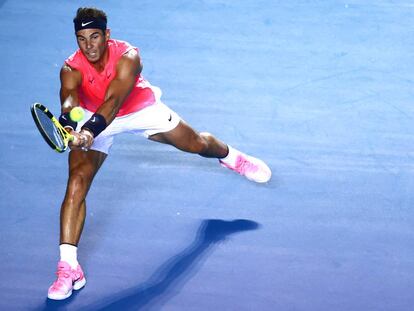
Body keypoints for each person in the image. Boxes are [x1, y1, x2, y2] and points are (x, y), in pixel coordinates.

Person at [47, 7, 271, 300]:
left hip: (138, 111)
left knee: (196, 144)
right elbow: (69, 101)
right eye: (81, 38)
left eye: (95, 36)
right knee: (77, 181)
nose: (89, 45)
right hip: (93, 117)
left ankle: (230, 156)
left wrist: (88, 131)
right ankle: (68, 266)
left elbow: (114, 101)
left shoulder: (129, 57)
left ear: (107, 35)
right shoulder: (70, 68)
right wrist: (67, 123)